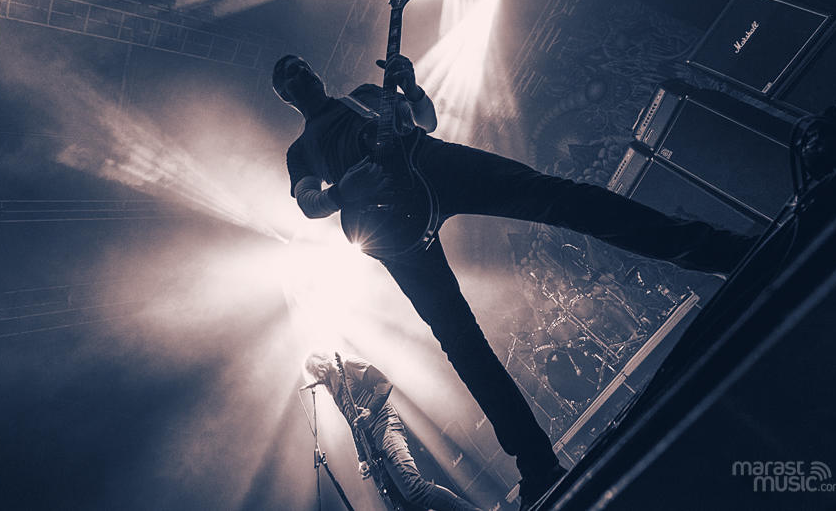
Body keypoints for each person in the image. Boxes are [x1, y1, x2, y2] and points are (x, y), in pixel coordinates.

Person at [275, 53, 753, 507]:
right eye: (289, 75)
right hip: (386, 230)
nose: (300, 74)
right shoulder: (302, 151)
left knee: (556, 197)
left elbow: (426, 121)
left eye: (301, 66)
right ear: (285, 96)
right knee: (459, 338)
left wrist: (413, 91)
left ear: (315, 72)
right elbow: (309, 204)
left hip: (431, 163)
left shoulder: (363, 95)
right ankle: (537, 465)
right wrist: (343, 191)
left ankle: (718, 250)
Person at [305, 351, 482, 511]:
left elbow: (384, 382)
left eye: (317, 371)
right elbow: (354, 425)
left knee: (414, 487)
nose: (319, 379)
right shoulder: (335, 394)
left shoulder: (348, 365)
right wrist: (362, 459)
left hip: (385, 425)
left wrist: (371, 411)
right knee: (404, 501)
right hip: (372, 446)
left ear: (323, 364)